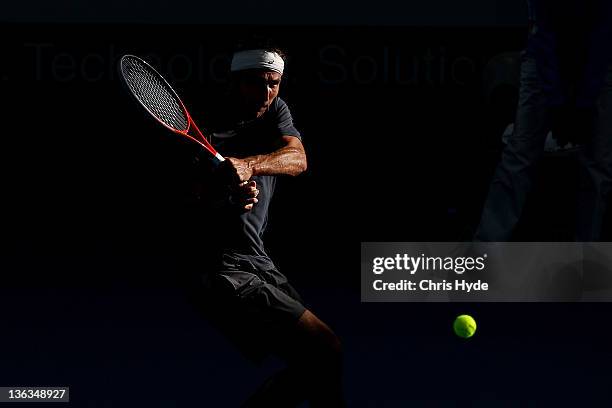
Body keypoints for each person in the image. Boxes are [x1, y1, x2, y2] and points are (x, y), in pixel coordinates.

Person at [183, 41, 346, 407]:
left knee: (316, 363)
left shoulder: (275, 112)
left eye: (273, 83)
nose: (266, 93)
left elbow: (298, 158)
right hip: (220, 268)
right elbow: (184, 207)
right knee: (326, 347)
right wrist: (224, 199)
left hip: (257, 259)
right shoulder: (203, 131)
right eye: (256, 83)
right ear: (235, 82)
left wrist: (250, 164)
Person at [475, 0, 612, 241]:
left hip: (602, 57)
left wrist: (583, 103)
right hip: (544, 55)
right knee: (519, 156)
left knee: (598, 165)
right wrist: (559, 102)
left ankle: (585, 260)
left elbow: (603, 31)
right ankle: (485, 252)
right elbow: (547, 29)